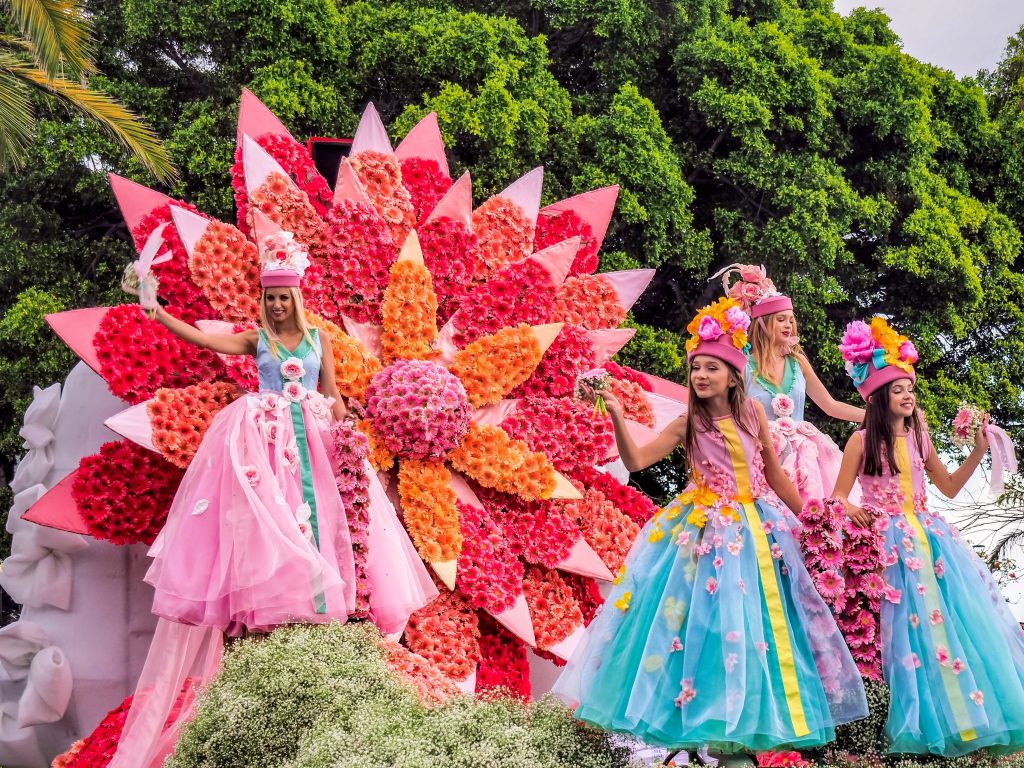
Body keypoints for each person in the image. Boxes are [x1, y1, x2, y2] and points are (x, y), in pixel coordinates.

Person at [553, 298, 867, 763]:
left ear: (734, 375)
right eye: (696, 368)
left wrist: (812, 520)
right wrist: (617, 416)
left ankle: (742, 733)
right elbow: (637, 461)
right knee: (705, 627)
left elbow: (777, 477)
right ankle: (710, 727)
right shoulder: (687, 424)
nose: (700, 375)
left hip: (761, 529)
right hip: (706, 537)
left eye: (711, 368)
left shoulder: (751, 416)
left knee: (760, 626)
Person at [832, 316, 1024, 756]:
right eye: (898, 390)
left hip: (930, 539)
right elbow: (838, 497)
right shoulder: (860, 442)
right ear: (878, 398)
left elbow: (951, 487)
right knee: (901, 631)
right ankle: (912, 722)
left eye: (910, 389)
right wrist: (854, 510)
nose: (908, 396)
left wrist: (978, 448)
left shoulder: (920, 439)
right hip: (884, 544)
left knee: (949, 623)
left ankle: (964, 717)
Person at [717, 264, 863, 503]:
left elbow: (830, 405)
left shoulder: (798, 362)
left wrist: (874, 416)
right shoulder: (741, 364)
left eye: (791, 321)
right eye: (781, 320)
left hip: (805, 459)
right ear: (762, 324)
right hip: (759, 454)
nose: (788, 325)